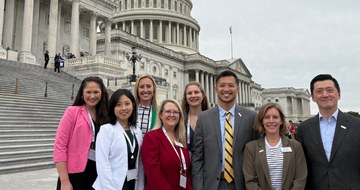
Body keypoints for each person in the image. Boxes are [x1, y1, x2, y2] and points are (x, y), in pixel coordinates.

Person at [192, 70, 258, 190]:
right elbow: (197, 157)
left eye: (231, 85)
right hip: (213, 185)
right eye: (222, 85)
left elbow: (256, 154)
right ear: (216, 88)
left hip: (241, 185)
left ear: (237, 89)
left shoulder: (251, 117)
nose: (226, 89)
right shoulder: (204, 118)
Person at [297, 74, 360, 189]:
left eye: (329, 90)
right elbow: (301, 165)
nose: (325, 95)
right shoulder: (303, 129)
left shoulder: (357, 125)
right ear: (313, 97)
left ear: (339, 94)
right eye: (319, 91)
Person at [53, 76, 109, 190]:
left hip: (98, 174)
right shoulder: (72, 112)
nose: (92, 96)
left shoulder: (107, 116)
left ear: (102, 93)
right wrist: (64, 181)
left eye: (96, 92)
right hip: (75, 174)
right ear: (82, 94)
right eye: (88, 92)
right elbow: (60, 146)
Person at [243, 103, 307, 190]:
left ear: (281, 121)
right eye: (267, 117)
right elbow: (250, 181)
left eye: (275, 117)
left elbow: (300, 178)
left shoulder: (295, 146)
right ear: (261, 121)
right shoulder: (251, 148)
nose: (271, 121)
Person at [93, 89, 144, 190]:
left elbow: (140, 164)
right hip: (112, 185)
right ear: (112, 108)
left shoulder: (137, 131)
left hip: (132, 184)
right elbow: (103, 165)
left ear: (133, 105)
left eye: (127, 104)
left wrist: (140, 187)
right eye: (118, 105)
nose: (123, 108)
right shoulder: (106, 130)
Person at [141, 99, 192, 190]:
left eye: (176, 112)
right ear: (161, 115)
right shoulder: (151, 137)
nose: (172, 115)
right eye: (168, 111)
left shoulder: (181, 139)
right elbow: (154, 175)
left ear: (180, 116)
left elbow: (186, 172)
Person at [181, 81, 209, 152]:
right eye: (189, 93)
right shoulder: (180, 119)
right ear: (185, 97)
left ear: (202, 96)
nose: (193, 95)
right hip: (185, 161)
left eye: (196, 92)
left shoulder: (211, 118)